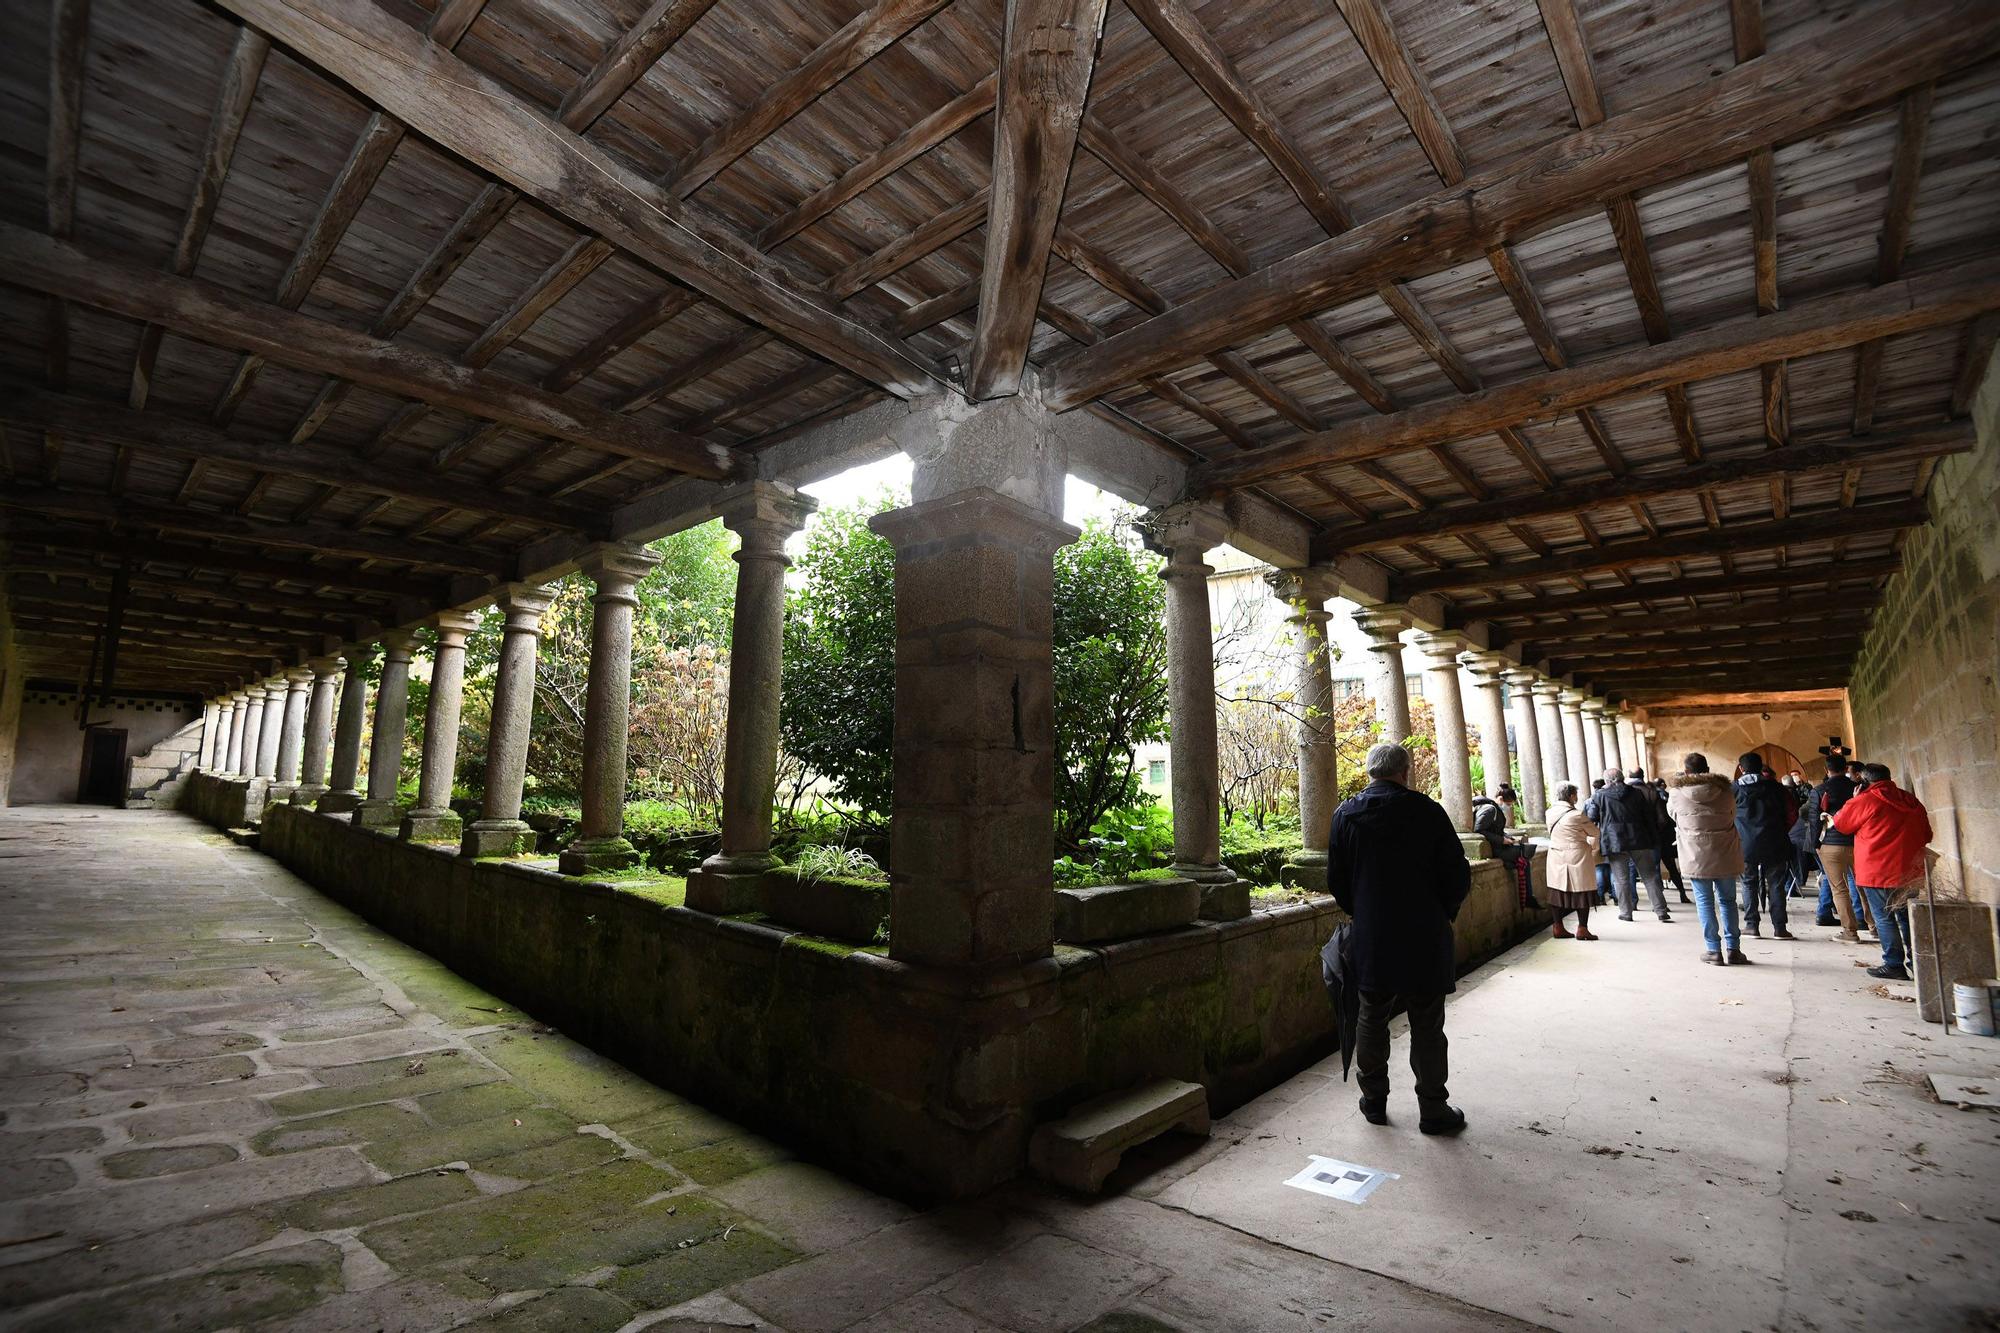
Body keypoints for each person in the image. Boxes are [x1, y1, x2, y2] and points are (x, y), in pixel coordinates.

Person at [1328, 742, 1471, 1135]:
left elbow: (1336, 881)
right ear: (1404, 772)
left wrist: (1363, 913)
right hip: (1424, 934)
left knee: (1371, 1017)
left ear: (1369, 772)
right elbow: (1457, 875)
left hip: (1373, 937)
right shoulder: (1428, 812)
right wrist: (1443, 912)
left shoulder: (1344, 815)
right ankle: (1432, 1109)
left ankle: (1373, 1101)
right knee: (1427, 1023)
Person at [1832, 763, 1934, 981]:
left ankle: (1893, 963)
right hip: (1909, 870)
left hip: (1877, 869)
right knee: (1907, 916)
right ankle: (1917, 963)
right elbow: (1927, 834)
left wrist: (1854, 798)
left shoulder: (1866, 800)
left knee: (1884, 917)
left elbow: (1841, 824)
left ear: (1865, 781)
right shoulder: (1910, 800)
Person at [1669, 754, 1750, 965]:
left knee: (1705, 902)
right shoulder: (1725, 790)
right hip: (1724, 850)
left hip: (1695, 852)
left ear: (1686, 772)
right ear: (1707, 768)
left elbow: (1672, 814)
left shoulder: (1677, 793)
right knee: (1728, 901)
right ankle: (1734, 949)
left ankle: (1713, 950)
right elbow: (1732, 813)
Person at [1585, 767, 1670, 923]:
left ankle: (1626, 912)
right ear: (1622, 778)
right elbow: (1647, 816)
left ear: (1607, 781)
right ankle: (1661, 911)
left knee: (1621, 879)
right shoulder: (1636, 793)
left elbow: (1592, 816)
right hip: (1639, 838)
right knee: (1649, 876)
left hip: (1614, 841)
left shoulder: (1600, 795)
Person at [1734, 752, 1796, 940]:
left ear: (1741, 768)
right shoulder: (1778, 788)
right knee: (1776, 884)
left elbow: (1725, 814)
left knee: (1748, 883)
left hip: (1746, 843)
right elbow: (1792, 813)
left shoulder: (1733, 789)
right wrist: (1782, 829)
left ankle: (1752, 926)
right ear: (1761, 767)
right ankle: (1780, 928)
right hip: (1775, 840)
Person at [1810, 758, 1864, 941]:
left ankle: (1850, 932)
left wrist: (1816, 844)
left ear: (1826, 769)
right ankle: (1874, 927)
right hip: (1857, 843)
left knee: (1839, 889)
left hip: (1831, 844)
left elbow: (1814, 820)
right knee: (1863, 886)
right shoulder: (1858, 788)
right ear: (1846, 768)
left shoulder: (1819, 790)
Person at [1543, 783, 1599, 941]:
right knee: (1583, 891)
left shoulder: (1550, 812)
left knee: (1556, 891)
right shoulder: (1578, 815)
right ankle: (1582, 929)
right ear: (1571, 796)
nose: (1577, 797)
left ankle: (1557, 926)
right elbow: (1595, 832)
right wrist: (1591, 845)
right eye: (1575, 794)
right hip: (1577, 855)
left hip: (1555, 855)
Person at [1472, 785, 1540, 911]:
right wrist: (1502, 840)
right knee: (1523, 855)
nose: (1509, 807)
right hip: (1495, 848)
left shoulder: (1495, 809)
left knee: (1523, 857)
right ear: (1501, 799)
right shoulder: (1490, 809)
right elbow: (1479, 829)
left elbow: (1496, 829)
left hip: (1498, 846)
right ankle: (1528, 897)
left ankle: (1527, 895)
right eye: (1509, 804)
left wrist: (1508, 837)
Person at [1645, 773, 1691, 904]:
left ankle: (1659, 900)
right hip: (1667, 837)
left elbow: (1661, 819)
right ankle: (1682, 893)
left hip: (1657, 838)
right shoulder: (1666, 796)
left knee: (1655, 869)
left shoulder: (1651, 799)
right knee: (1672, 867)